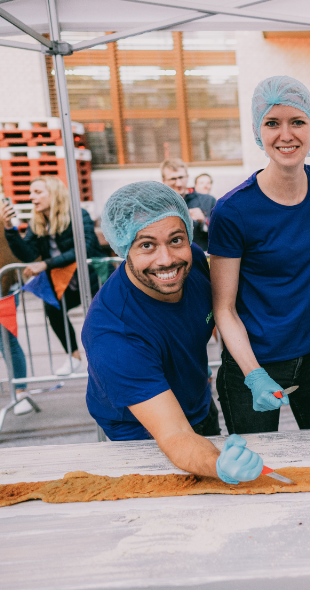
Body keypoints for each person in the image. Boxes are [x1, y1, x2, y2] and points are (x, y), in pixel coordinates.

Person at [82, 181, 264, 484]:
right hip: (140, 433)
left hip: (197, 402)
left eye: (176, 240)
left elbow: (221, 315)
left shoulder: (191, 263)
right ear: (122, 248)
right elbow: (174, 434)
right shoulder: (113, 334)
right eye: (147, 245)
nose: (166, 259)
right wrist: (219, 465)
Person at [209, 76, 310, 435]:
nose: (286, 135)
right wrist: (253, 374)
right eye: (273, 123)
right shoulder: (233, 210)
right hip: (253, 360)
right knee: (256, 467)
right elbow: (224, 307)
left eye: (297, 122)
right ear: (257, 130)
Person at [2, 176, 102, 376]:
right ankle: (74, 358)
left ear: (54, 193)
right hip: (64, 283)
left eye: (38, 192)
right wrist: (10, 229)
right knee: (52, 308)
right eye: (31, 193)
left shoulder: (78, 215)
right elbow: (28, 254)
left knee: (99, 320)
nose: (32, 197)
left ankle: (104, 360)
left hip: (92, 279)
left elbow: (84, 247)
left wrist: (45, 264)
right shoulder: (37, 222)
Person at [161, 160, 216, 252]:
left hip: (200, 259)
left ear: (187, 177)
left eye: (181, 177)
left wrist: (204, 220)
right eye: (173, 179)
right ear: (164, 181)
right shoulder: (159, 205)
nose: (178, 183)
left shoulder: (208, 200)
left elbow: (222, 232)